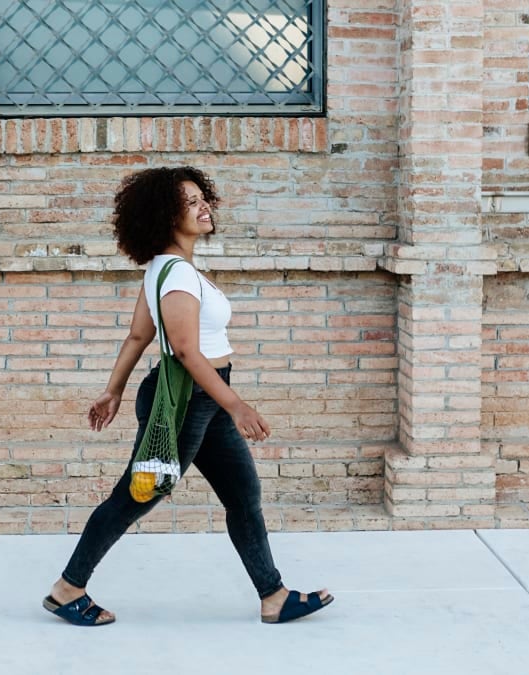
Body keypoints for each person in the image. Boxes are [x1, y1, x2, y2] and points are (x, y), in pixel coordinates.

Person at [42, 166, 333, 626]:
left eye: (204, 198)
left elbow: (138, 336)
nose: (204, 207)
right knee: (136, 496)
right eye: (190, 201)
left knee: (242, 495)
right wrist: (236, 404)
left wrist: (112, 390)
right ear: (164, 213)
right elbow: (184, 350)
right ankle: (67, 589)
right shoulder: (176, 273)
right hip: (188, 399)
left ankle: (273, 596)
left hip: (204, 399)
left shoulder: (165, 268)